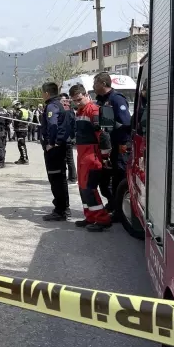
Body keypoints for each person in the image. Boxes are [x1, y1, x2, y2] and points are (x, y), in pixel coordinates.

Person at [69, 84, 113, 232]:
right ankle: (90, 217)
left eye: (79, 99)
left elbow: (104, 136)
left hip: (92, 156)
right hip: (83, 155)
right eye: (74, 100)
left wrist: (106, 157)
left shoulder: (93, 111)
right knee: (82, 188)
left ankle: (102, 219)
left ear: (86, 95)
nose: (77, 102)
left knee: (89, 188)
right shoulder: (80, 111)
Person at [93, 71, 132, 218]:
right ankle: (112, 202)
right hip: (105, 147)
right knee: (103, 180)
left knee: (118, 177)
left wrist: (108, 125)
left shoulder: (117, 99)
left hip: (119, 145)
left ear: (103, 83)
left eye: (95, 83)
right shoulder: (100, 100)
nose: (93, 86)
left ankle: (120, 210)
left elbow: (126, 122)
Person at [40, 82, 72, 221]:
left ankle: (60, 210)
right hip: (61, 146)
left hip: (54, 149)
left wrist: (50, 143)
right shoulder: (60, 104)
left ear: (46, 93)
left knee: (55, 179)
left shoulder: (52, 106)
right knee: (61, 178)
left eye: (42, 93)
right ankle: (65, 207)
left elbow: (53, 124)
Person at [60, 93, 78, 184]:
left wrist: (72, 137)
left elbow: (72, 125)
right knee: (67, 159)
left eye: (64, 100)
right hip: (67, 138)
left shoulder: (67, 111)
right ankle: (72, 177)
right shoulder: (68, 110)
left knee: (68, 159)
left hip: (66, 139)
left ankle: (73, 178)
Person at [11, 100, 30, 164]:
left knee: (21, 144)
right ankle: (22, 157)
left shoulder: (19, 111)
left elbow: (16, 119)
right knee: (21, 144)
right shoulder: (25, 110)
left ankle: (24, 159)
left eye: (14, 106)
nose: (14, 108)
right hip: (23, 129)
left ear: (16, 105)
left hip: (20, 129)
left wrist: (13, 114)